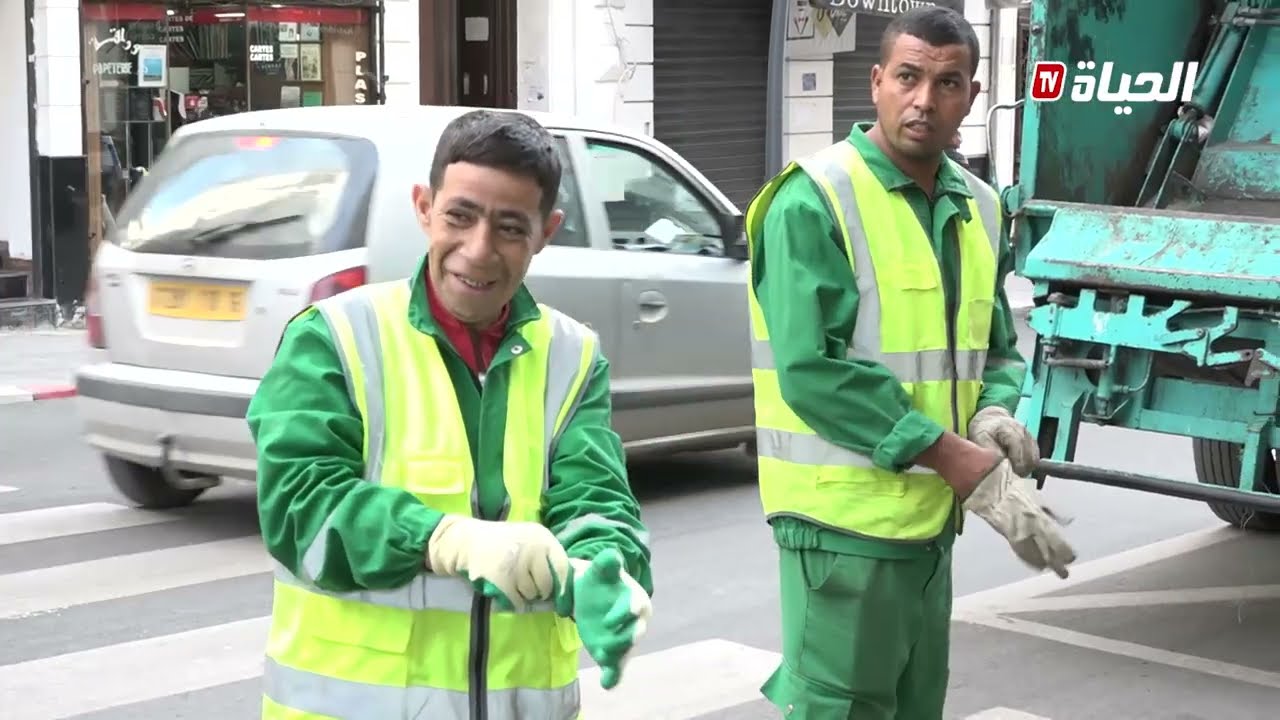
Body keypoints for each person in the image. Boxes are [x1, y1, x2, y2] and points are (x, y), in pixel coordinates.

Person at [247, 108, 654, 720]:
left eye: (511, 228)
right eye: (459, 217)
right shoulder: (333, 337)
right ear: (423, 207)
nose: (479, 251)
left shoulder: (573, 356)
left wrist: (607, 568)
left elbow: (595, 496)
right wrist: (443, 539)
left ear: (547, 231)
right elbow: (298, 508)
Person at [743, 7, 1076, 719]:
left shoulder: (979, 206)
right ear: (876, 82)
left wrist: (991, 411)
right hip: (840, 533)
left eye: (947, 82)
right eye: (908, 77)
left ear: (973, 96)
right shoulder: (813, 199)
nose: (925, 100)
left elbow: (993, 345)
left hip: (927, 531)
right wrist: (954, 457)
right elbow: (812, 370)